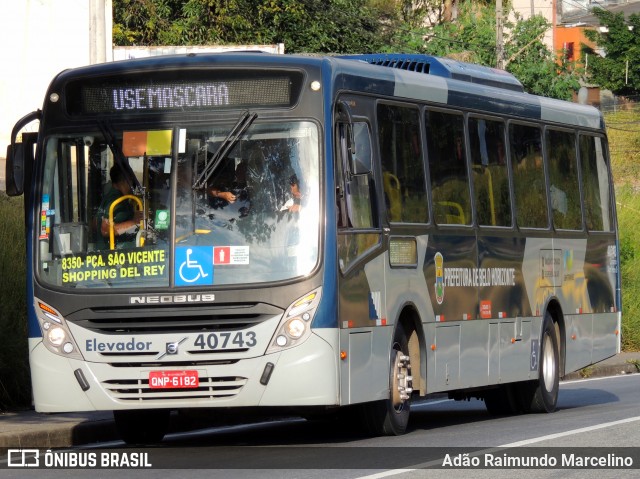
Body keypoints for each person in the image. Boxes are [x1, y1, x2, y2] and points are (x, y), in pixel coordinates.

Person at [95, 166, 143, 249]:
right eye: (131, 182)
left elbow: (95, 223)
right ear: (125, 181)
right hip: (114, 252)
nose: (132, 186)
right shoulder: (117, 201)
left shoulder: (109, 197)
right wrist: (134, 222)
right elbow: (105, 230)